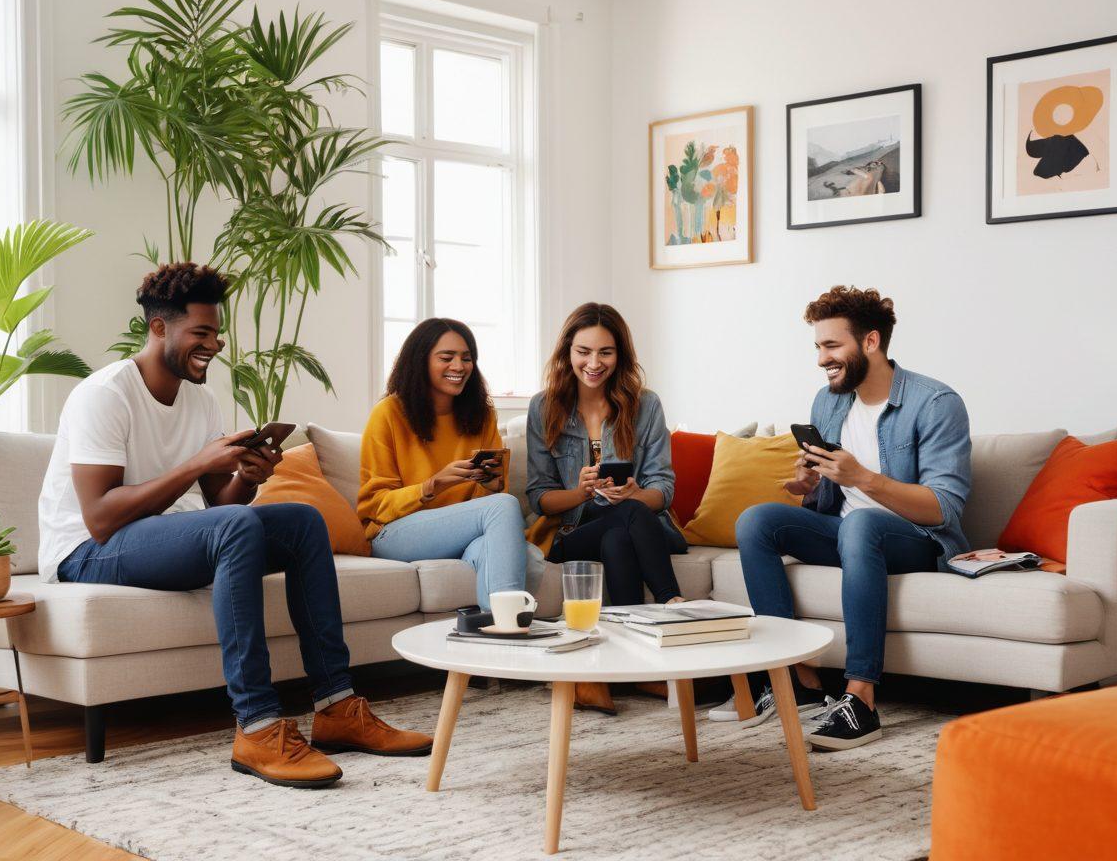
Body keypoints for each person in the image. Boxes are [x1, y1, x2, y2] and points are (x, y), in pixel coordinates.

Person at [40, 263, 432, 789]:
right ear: (158, 328)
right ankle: (258, 726)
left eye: (217, 333)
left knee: (300, 521)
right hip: (86, 550)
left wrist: (249, 476)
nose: (215, 344)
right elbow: (101, 516)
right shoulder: (105, 394)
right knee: (233, 527)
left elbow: (221, 504)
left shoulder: (200, 399)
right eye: (201, 333)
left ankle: (337, 706)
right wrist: (196, 464)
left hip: (157, 537)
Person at [711, 286, 971, 751]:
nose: (821, 359)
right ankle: (796, 680)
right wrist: (809, 484)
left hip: (916, 539)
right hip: (850, 535)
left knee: (862, 523)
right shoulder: (828, 400)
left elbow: (943, 508)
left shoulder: (935, 403)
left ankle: (861, 699)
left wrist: (863, 479)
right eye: (818, 346)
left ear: (870, 342)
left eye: (832, 346)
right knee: (757, 521)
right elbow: (830, 494)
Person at [526, 303, 687, 715]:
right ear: (567, 352)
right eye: (584, 352)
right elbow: (539, 496)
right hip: (573, 533)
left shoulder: (645, 405)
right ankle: (672, 605)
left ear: (621, 355)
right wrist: (580, 493)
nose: (594, 363)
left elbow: (663, 489)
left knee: (620, 532)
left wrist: (634, 494)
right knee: (624, 520)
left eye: (606, 352)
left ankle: (626, 667)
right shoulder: (543, 407)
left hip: (631, 523)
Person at [358, 318, 535, 610]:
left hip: (462, 532)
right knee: (504, 507)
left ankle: (500, 627)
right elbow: (375, 505)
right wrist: (433, 485)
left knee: (494, 545)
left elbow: (487, 505)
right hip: (393, 533)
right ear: (421, 361)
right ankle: (510, 623)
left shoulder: (481, 415)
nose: (459, 366)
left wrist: (491, 485)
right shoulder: (388, 413)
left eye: (466, 358)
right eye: (446, 357)